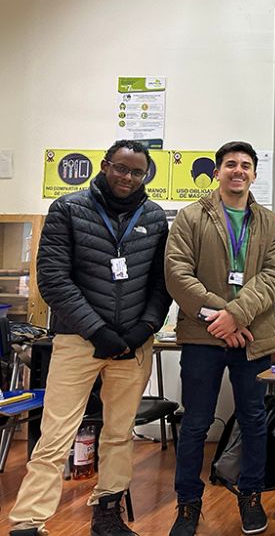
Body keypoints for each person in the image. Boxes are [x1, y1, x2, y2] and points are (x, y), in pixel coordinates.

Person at [7, 141, 170, 536]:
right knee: (56, 432)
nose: (127, 178)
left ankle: (107, 512)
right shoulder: (68, 209)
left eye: (136, 172)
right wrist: (97, 331)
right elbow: (53, 279)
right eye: (121, 168)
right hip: (78, 340)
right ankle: (28, 521)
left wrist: (142, 330)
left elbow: (160, 285)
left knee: (119, 433)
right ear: (105, 165)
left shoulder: (154, 217)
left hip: (133, 343)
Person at [165, 141, 275, 536]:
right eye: (231, 164)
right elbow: (176, 274)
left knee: (253, 420)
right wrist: (220, 316)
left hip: (254, 336)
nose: (238, 170)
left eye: (246, 165)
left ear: (254, 174)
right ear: (218, 171)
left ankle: (250, 495)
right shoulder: (190, 217)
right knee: (196, 423)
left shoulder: (273, 223)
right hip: (203, 336)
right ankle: (187, 505)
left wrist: (235, 316)